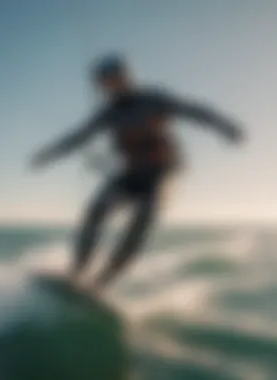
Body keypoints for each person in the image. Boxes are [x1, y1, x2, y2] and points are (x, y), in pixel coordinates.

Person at [30, 54, 244, 289]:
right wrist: (49, 154)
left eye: (116, 78)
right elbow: (79, 136)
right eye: (106, 82)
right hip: (131, 175)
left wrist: (225, 126)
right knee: (95, 210)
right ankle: (77, 271)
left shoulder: (153, 99)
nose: (112, 85)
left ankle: (103, 281)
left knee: (143, 216)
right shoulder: (108, 114)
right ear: (102, 86)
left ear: (127, 77)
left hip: (163, 173)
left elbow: (194, 111)